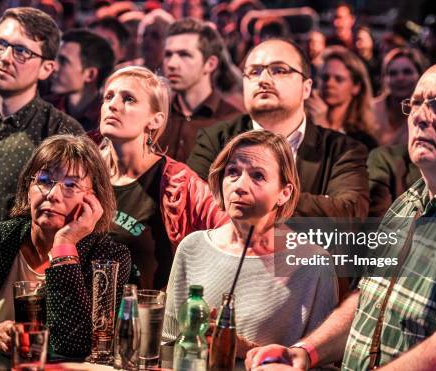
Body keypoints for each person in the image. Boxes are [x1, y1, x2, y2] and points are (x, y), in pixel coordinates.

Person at [247, 60, 436, 371]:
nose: (420, 116)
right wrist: (305, 352)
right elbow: (369, 298)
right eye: (416, 104)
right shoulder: (412, 199)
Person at [163, 130, 338, 357]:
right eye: (233, 172)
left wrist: (244, 350)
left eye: (257, 176)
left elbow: (323, 362)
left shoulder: (314, 263)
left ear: (284, 193)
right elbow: (168, 343)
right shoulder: (193, 247)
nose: (240, 186)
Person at [0, 134, 131, 366]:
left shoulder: (108, 258)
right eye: (44, 180)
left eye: (70, 185)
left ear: (93, 200)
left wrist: (64, 244)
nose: (53, 195)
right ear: (28, 189)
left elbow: (73, 346)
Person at [187, 38, 369, 219]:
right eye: (254, 72)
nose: (263, 80)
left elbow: (348, 215)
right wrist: (316, 203)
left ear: (306, 88)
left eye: (279, 70)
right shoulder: (215, 138)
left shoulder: (344, 150)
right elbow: (195, 204)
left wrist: (252, 199)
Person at [99, 66, 228, 290]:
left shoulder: (177, 182)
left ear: (155, 120)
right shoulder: (85, 174)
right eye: (108, 96)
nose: (113, 105)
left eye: (128, 99)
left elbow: (231, 234)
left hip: (150, 318)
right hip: (87, 316)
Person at [0, 7, 84, 226]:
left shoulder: (63, 134)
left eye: (21, 51)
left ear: (47, 69)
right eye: (0, 44)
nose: (5, 57)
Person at [159, 17, 243, 162]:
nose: (172, 64)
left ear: (210, 64)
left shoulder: (234, 122)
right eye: (168, 54)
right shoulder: (156, 114)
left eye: (184, 55)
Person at [49, 29, 115, 132]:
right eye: (55, 59)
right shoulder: (46, 109)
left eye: (63, 61)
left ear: (90, 74)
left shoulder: (108, 120)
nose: (54, 67)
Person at [317, 45, 377, 150]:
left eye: (339, 79)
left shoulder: (363, 141)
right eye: (325, 78)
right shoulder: (304, 124)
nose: (330, 84)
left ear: (356, 86)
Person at [371, 47, 428, 146]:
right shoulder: (370, 110)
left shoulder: (428, 114)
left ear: (420, 75)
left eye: (407, 72)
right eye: (393, 73)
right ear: (384, 78)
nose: (400, 78)